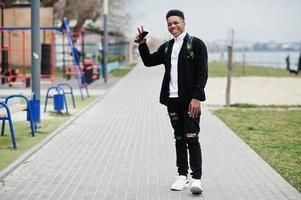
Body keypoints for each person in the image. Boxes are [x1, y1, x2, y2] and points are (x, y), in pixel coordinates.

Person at [136, 9, 208, 194]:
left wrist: (196, 97)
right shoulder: (167, 47)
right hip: (172, 101)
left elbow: (202, 72)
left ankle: (196, 179)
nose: (173, 26)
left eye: (176, 22)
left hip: (191, 101)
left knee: (192, 138)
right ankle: (182, 176)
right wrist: (142, 43)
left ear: (184, 22)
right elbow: (149, 61)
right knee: (179, 138)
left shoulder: (196, 44)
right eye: (169, 24)